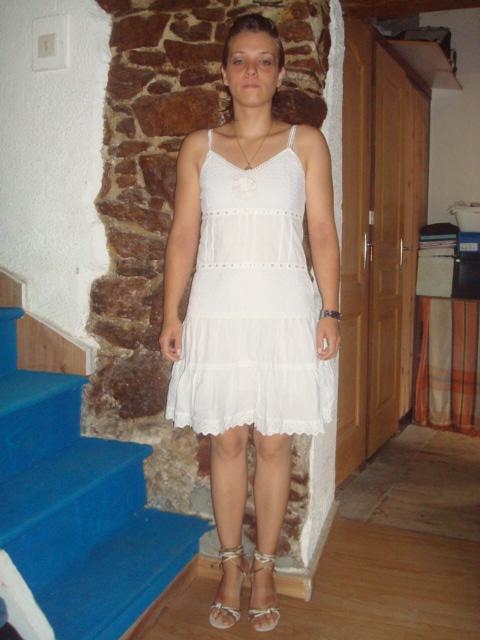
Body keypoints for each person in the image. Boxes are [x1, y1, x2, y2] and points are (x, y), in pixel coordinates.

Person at [159, 13, 340, 633]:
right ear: (225, 71)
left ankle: (265, 568)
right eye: (240, 59)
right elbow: (183, 235)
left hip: (286, 311)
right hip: (217, 311)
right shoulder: (199, 147)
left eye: (265, 60)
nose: (252, 71)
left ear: (280, 72)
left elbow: (322, 232)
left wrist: (331, 310)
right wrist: (171, 312)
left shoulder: (305, 144)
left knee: (274, 443)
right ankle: (231, 565)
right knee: (228, 441)